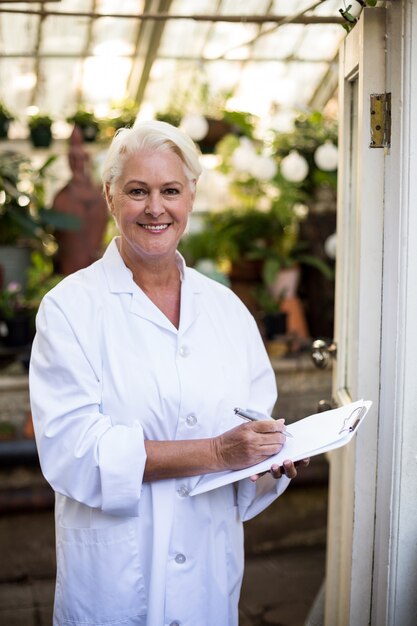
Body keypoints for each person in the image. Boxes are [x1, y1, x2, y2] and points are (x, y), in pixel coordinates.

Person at [29, 120, 308, 626]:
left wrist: (269, 459)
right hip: (115, 581)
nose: (155, 208)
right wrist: (219, 452)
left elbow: (253, 420)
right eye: (138, 191)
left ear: (191, 197)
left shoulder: (226, 309)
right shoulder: (68, 309)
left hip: (208, 573)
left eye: (170, 191)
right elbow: (75, 452)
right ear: (112, 197)